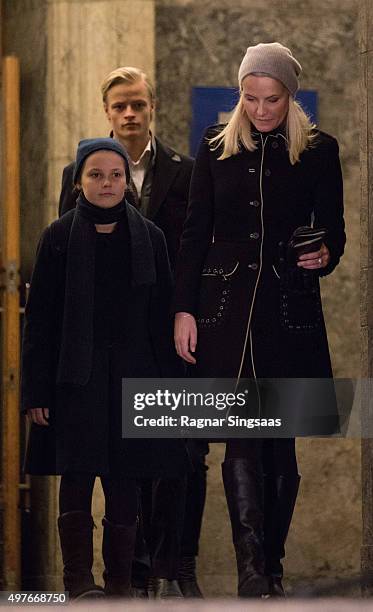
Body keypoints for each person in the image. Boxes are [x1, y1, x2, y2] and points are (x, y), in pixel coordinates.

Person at [174, 42, 345, 598]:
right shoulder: (213, 146)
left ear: (290, 96)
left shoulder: (320, 151)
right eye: (250, 98)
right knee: (242, 437)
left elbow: (334, 232)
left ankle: (272, 564)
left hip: (289, 309)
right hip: (225, 312)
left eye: (272, 99)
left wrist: (324, 256)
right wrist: (183, 309)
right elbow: (194, 233)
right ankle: (251, 572)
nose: (261, 109)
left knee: (282, 442)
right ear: (240, 93)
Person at [58, 66, 206, 599]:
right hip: (102, 345)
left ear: (152, 107)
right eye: (120, 105)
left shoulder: (185, 172)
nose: (130, 113)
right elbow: (65, 263)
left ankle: (170, 565)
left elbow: (195, 250)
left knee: (180, 451)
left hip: (166, 333)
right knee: (114, 457)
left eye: (138, 104)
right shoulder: (81, 173)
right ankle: (121, 576)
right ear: (107, 111)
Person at [21, 138, 189, 600]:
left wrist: (169, 395)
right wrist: (36, 392)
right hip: (75, 382)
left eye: (115, 175)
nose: (107, 183)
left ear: (126, 183)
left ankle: (118, 585)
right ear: (78, 182)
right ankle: (77, 583)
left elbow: (162, 321)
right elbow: (40, 323)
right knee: (76, 478)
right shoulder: (57, 237)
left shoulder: (150, 238)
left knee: (126, 484)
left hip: (135, 381)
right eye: (95, 174)